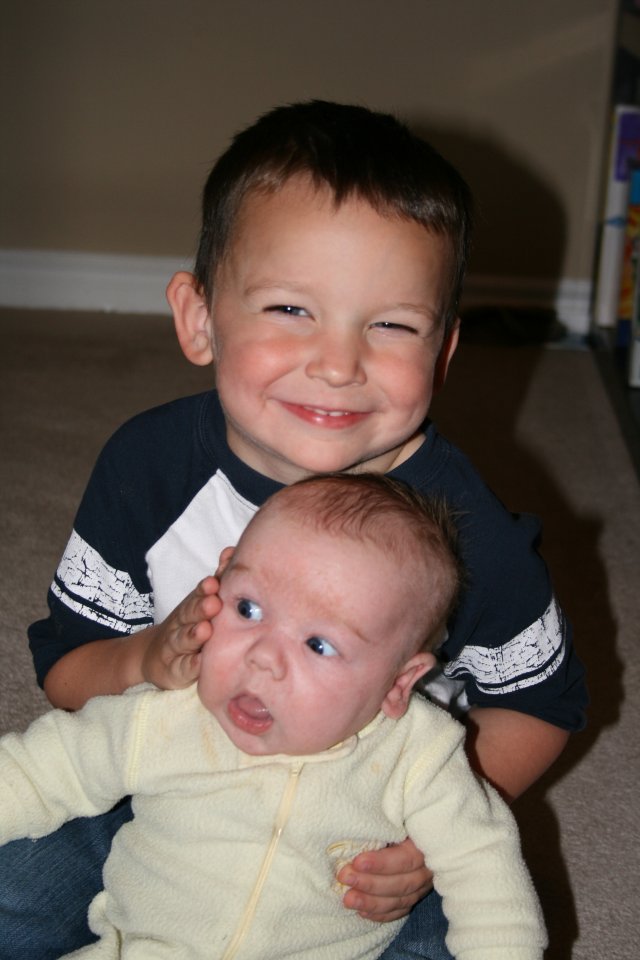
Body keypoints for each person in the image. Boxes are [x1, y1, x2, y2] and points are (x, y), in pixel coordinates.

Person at [0, 100, 586, 960]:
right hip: (163, 789)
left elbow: (540, 703)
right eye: (289, 309)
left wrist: (425, 842)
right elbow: (69, 671)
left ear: (444, 352)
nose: (339, 363)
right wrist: (148, 661)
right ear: (200, 318)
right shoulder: (148, 468)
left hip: (367, 838)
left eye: (391, 325)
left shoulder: (465, 527)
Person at [0, 474, 547, 960]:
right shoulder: (164, 715)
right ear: (219, 577)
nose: (263, 656)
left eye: (318, 644)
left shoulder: (420, 754)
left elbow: (485, 870)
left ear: (399, 683)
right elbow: (40, 770)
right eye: (249, 609)